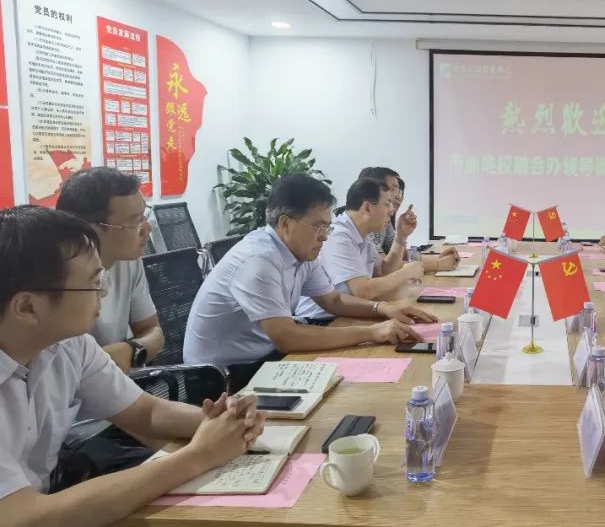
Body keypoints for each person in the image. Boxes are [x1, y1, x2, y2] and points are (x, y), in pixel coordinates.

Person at [0, 205, 265, 526]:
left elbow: (145, 412)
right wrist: (198, 456)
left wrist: (226, 423)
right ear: (28, 307)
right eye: (94, 282)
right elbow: (26, 517)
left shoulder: (68, 345)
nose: (103, 292)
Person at [183, 174, 436, 377]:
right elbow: (287, 337)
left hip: (264, 357)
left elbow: (334, 301)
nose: (325, 236)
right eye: (318, 227)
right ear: (285, 224)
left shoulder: (301, 252)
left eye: (327, 226)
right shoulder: (259, 260)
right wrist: (372, 332)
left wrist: (383, 309)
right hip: (223, 376)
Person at [55, 167, 164, 371]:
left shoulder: (128, 260)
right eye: (136, 222)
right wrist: (103, 362)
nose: (147, 229)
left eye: (145, 216)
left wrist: (131, 351)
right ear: (91, 229)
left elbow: (153, 330)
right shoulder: (53, 278)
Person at [295, 178, 426, 318]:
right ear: (368, 207)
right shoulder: (338, 236)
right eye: (387, 204)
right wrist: (405, 273)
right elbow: (363, 291)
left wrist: (401, 236)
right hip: (322, 320)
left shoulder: (361, 234)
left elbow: (383, 271)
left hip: (349, 313)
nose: (392, 211)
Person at [358, 167, 459, 273]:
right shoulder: (363, 225)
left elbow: (400, 257)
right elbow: (382, 268)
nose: (398, 197)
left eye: (399, 192)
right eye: (393, 190)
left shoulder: (384, 222)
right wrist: (437, 264)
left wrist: (438, 258)